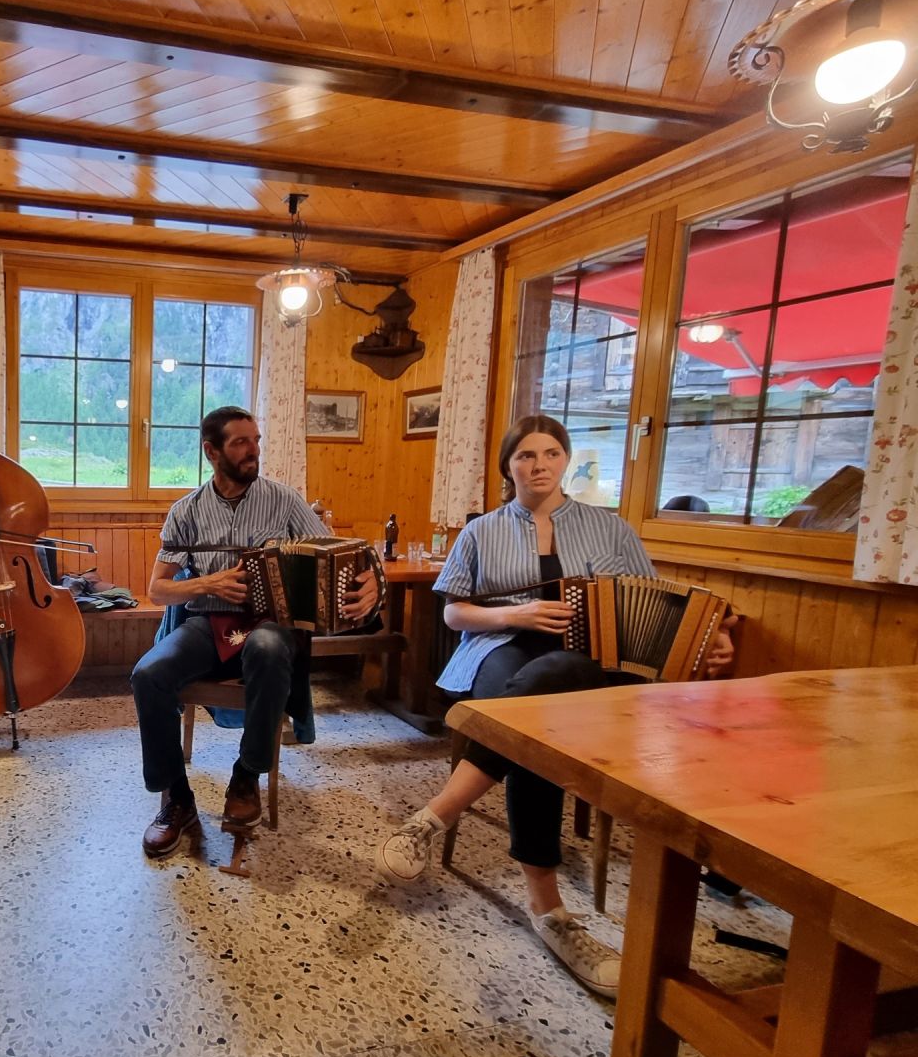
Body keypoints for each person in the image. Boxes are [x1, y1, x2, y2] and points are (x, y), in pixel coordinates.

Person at [377, 415, 735, 998]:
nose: (538, 464)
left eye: (549, 453)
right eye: (524, 455)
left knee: (538, 695)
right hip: (500, 643)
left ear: (565, 461)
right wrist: (513, 614)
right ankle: (551, 914)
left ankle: (434, 817)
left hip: (590, 658)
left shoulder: (609, 528)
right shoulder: (481, 531)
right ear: (508, 466)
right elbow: (454, 613)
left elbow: (654, 603)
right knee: (528, 719)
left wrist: (715, 631)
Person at [132, 406, 380, 858]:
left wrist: (369, 578)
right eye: (241, 442)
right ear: (211, 451)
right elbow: (157, 590)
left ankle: (246, 774)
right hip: (208, 623)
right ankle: (177, 799)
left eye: (257, 440)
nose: (254, 451)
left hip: (269, 624)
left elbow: (339, 552)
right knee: (149, 674)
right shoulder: (185, 511)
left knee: (267, 645)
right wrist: (207, 582)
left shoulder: (284, 500)